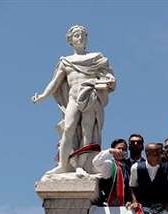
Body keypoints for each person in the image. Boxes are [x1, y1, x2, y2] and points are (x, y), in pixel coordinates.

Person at [31, 25, 116, 174]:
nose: (80, 38)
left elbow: (109, 77)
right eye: (77, 35)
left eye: (83, 35)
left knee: (87, 132)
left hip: (91, 96)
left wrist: (110, 81)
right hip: (73, 98)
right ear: (70, 41)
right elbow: (55, 82)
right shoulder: (66, 61)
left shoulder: (96, 58)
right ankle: (63, 165)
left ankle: (81, 166)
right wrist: (43, 96)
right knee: (68, 129)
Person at [130, 143, 168, 214]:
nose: (159, 157)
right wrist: (134, 201)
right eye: (155, 155)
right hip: (143, 209)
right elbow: (133, 187)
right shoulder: (136, 168)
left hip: (164, 210)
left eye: (160, 154)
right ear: (147, 154)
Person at [92, 139, 131, 206]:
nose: (121, 151)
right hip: (109, 206)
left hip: (125, 207)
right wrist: (109, 151)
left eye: (124, 149)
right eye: (119, 148)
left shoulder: (128, 167)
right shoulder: (109, 164)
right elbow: (96, 162)